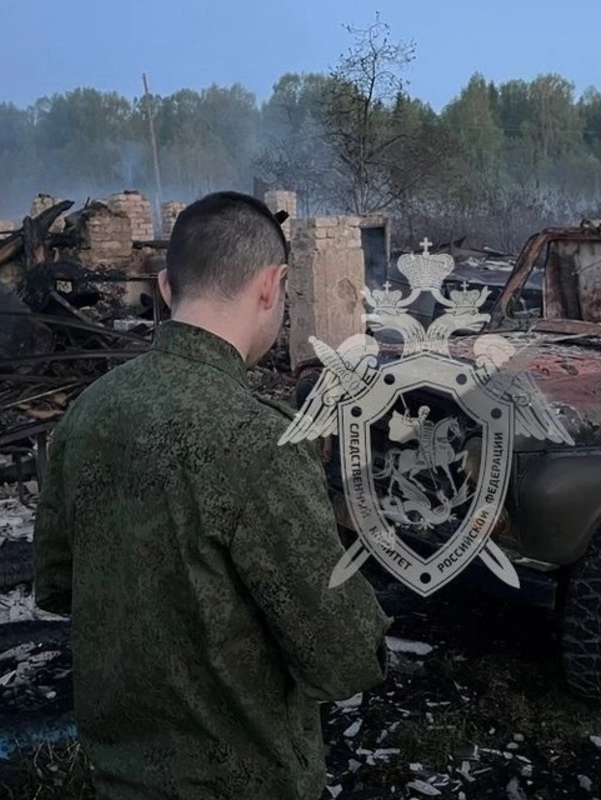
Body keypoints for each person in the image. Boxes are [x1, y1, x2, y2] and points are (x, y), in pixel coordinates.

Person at [33, 191, 392, 800]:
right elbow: (344, 656)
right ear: (272, 286)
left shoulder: (89, 412)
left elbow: (60, 585)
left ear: (167, 287)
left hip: (120, 779)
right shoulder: (259, 438)